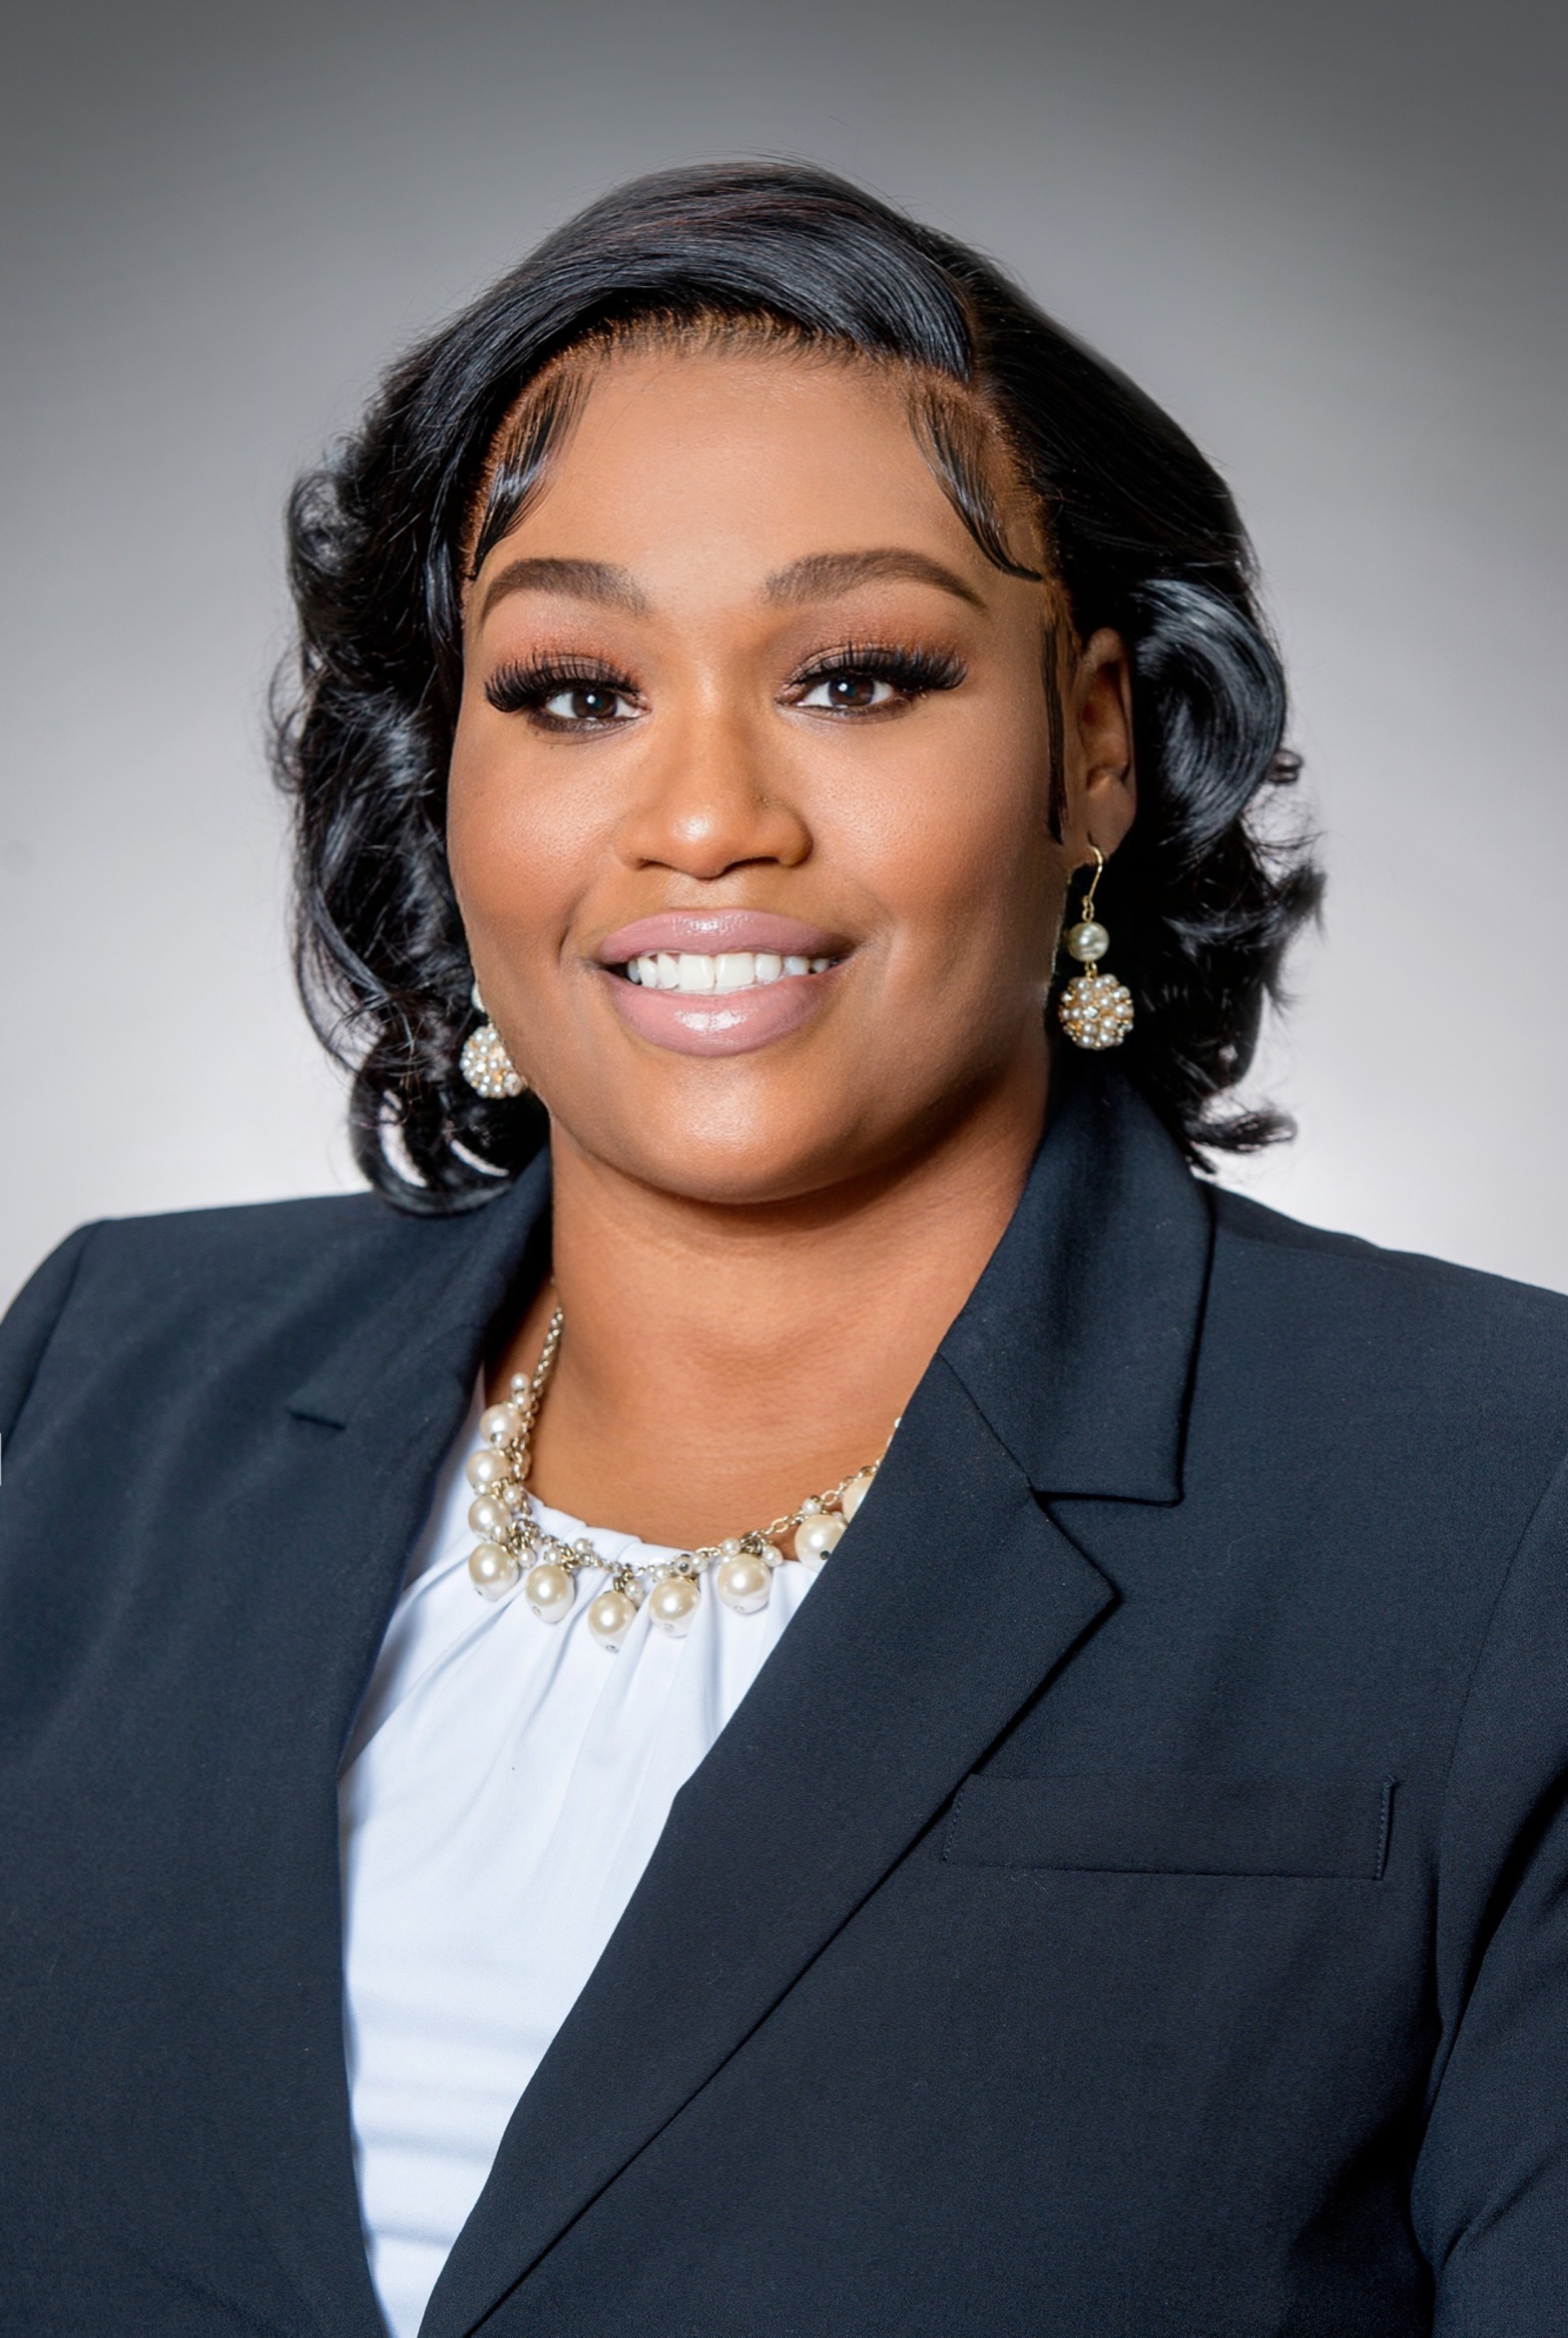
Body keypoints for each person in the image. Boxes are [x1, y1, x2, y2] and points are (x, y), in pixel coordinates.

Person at [1, 161, 1565, 2338]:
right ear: (439, 770)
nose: (707, 812)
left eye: (854, 675)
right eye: (569, 689)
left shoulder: (1504, 1500)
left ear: (1094, 749)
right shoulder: (95, 1388)